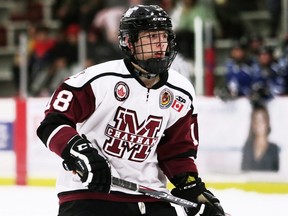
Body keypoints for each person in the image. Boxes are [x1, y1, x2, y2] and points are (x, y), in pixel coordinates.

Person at [37, 5, 225, 216]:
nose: (159, 44)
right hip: (91, 194)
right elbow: (52, 123)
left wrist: (192, 188)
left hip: (152, 198)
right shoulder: (99, 80)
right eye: (151, 37)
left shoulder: (181, 90)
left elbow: (176, 151)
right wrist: (82, 155)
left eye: (163, 37)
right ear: (129, 42)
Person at [241, 104, 280, 171]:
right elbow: (243, 172)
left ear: (267, 123)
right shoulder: (247, 147)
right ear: (252, 124)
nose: (258, 124)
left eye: (261, 120)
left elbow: (275, 176)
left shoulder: (274, 149)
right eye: (255, 120)